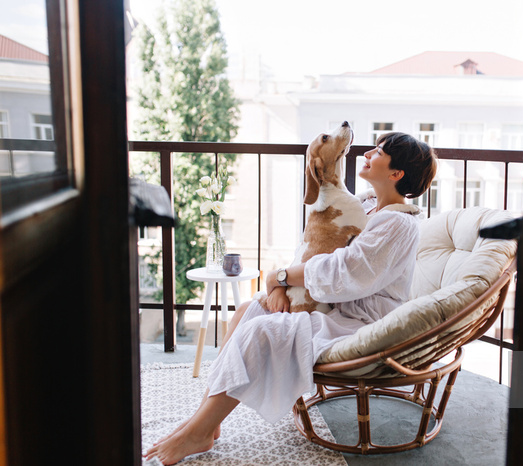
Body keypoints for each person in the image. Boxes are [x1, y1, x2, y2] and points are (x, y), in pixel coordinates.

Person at [145, 132, 438, 465]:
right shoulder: (368, 206)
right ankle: (206, 421)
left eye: (380, 151)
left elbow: (347, 272)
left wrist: (278, 277)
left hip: (360, 323)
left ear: (396, 173)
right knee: (247, 310)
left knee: (262, 332)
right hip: (333, 306)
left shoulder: (399, 224)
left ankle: (197, 430)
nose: (369, 152)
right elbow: (318, 246)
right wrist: (280, 286)